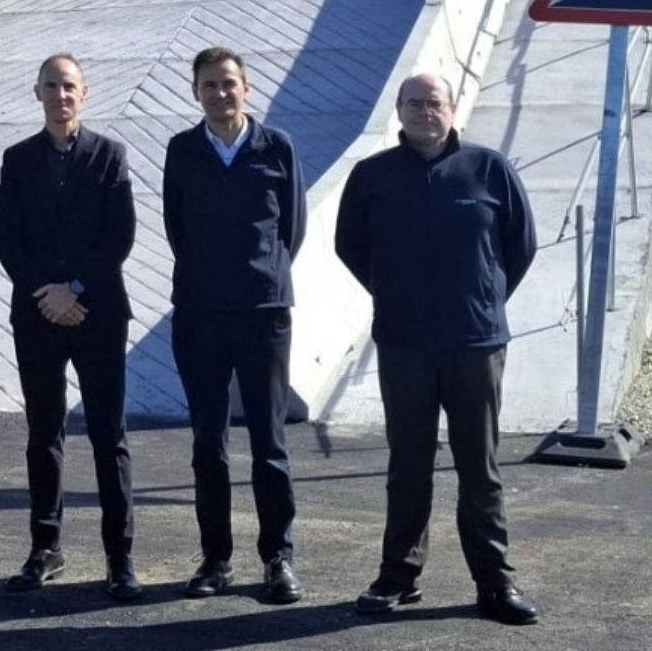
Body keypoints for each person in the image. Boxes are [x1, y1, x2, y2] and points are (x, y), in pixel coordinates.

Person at [335, 74, 540, 626]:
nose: (424, 111)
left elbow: (520, 245)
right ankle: (398, 575)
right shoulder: (372, 175)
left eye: (434, 102)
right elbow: (350, 246)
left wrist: (483, 296)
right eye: (414, 103)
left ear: (451, 108)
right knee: (408, 463)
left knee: (480, 468)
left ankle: (494, 582)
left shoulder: (489, 168)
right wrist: (394, 294)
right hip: (405, 344)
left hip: (475, 343)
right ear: (399, 110)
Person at [0, 54, 139, 599]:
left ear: (85, 93)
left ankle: (119, 558)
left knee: (108, 436)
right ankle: (45, 548)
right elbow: (7, 239)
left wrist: (73, 289)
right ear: (38, 92)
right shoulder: (17, 159)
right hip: (37, 315)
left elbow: (119, 236)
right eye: (51, 86)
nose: (61, 95)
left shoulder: (109, 155)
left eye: (69, 86)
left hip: (98, 313)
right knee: (43, 434)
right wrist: (47, 294)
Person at [161, 47, 304, 603]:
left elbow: (291, 228)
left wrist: (261, 275)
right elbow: (177, 228)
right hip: (200, 315)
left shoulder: (277, 147)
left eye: (228, 83)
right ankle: (215, 558)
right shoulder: (182, 150)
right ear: (196, 92)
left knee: (269, 443)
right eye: (209, 85)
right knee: (208, 444)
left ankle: (278, 558)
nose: (219, 93)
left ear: (246, 87)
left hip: (263, 315)